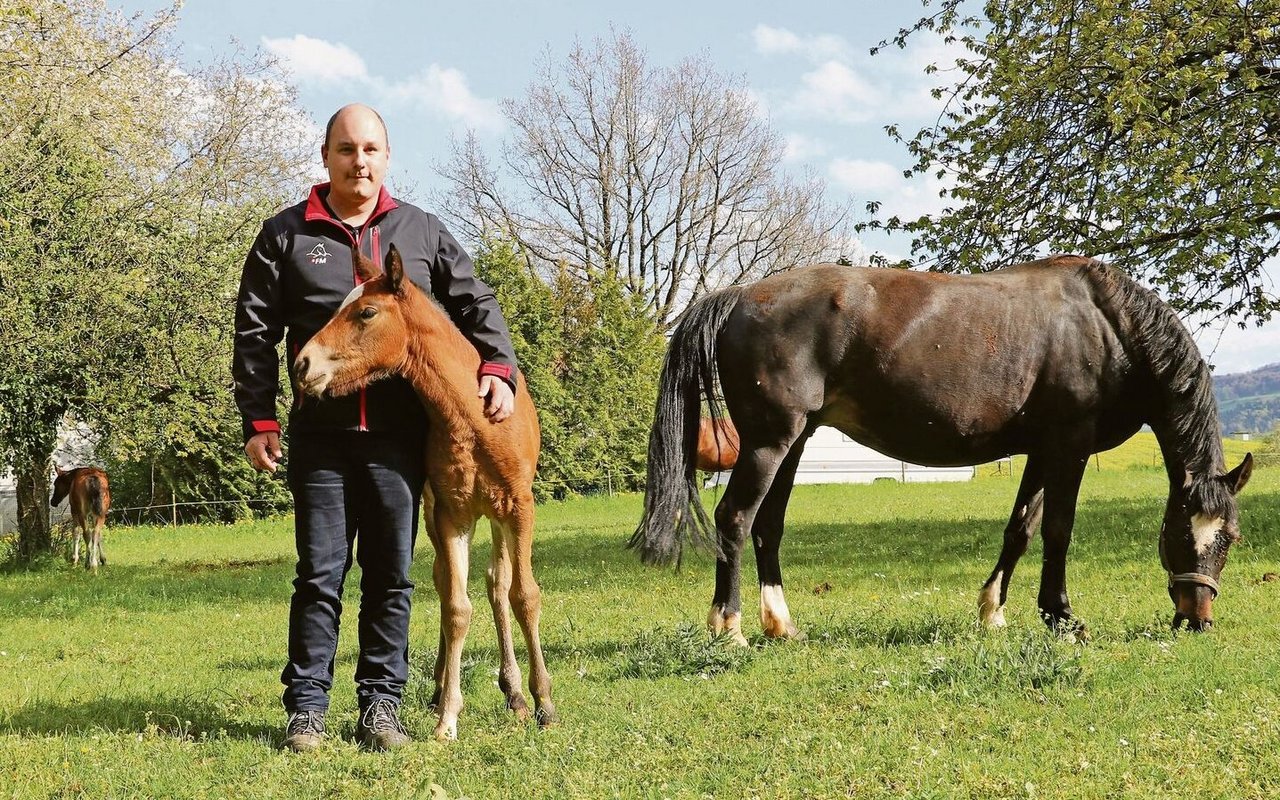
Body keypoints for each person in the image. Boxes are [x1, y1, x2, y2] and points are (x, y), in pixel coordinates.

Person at [233, 103, 519, 752]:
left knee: (391, 576)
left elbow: (474, 300)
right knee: (320, 575)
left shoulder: (420, 232)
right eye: (345, 149)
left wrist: (497, 366)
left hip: (398, 440)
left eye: (369, 149)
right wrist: (258, 417)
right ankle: (306, 712)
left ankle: (381, 710)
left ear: (386, 158)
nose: (357, 161)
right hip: (319, 439)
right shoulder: (284, 235)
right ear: (326, 156)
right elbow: (254, 331)